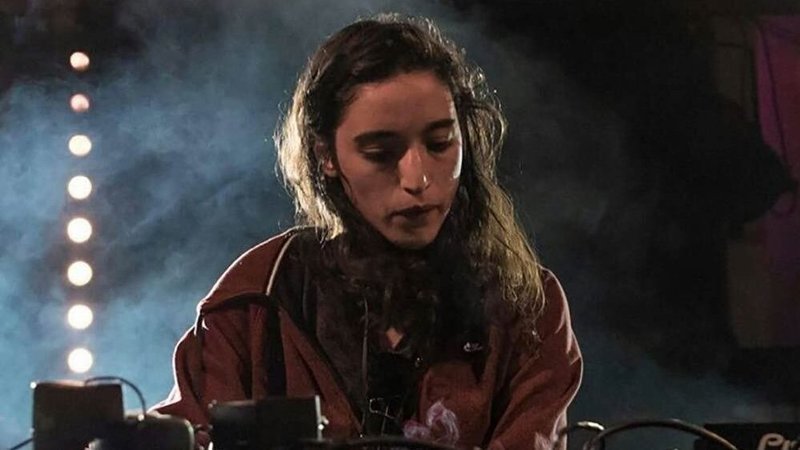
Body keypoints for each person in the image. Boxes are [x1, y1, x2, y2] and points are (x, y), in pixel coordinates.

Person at [155, 13, 582, 450]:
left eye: (440, 144)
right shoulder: (257, 299)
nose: (418, 179)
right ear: (326, 155)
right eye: (380, 152)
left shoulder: (525, 306)